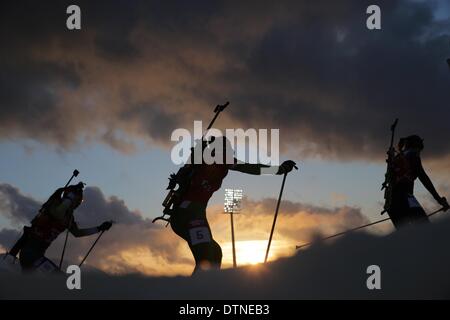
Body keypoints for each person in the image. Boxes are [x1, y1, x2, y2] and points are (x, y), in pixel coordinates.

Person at [168, 136, 297, 274]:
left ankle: (208, 288)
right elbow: (252, 168)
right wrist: (280, 169)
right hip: (191, 215)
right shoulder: (219, 159)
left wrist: (201, 148)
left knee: (215, 253)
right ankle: (198, 291)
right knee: (206, 257)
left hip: (184, 215)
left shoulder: (200, 159)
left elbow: (184, 173)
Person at [10, 182, 112, 271]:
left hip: (38, 255)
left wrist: (99, 228)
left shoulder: (68, 217)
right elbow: (58, 213)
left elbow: (77, 233)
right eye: (76, 201)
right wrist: (69, 198)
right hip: (29, 252)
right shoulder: (54, 205)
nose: (76, 205)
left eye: (78, 202)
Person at [387, 135, 449, 229]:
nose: (419, 153)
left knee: (405, 237)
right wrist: (439, 200)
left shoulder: (399, 157)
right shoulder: (413, 155)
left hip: (391, 203)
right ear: (417, 147)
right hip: (406, 199)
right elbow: (424, 178)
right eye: (420, 150)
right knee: (425, 231)